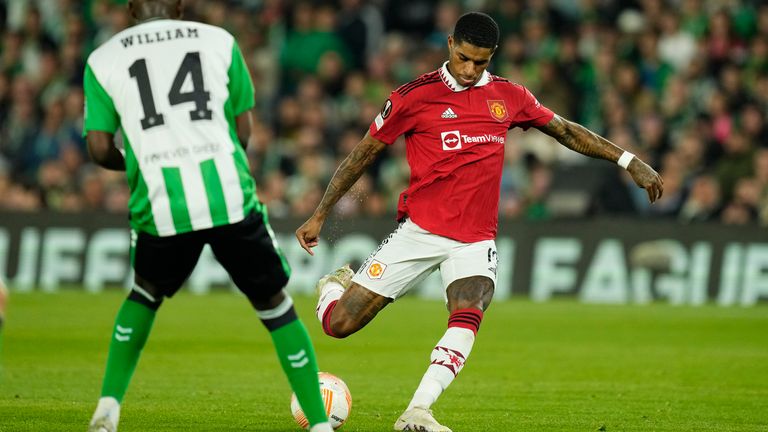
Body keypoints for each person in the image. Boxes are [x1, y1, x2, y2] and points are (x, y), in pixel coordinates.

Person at [296, 12, 664, 432]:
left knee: (470, 308)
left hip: (474, 238)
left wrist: (628, 160)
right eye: (465, 58)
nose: (471, 70)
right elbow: (362, 154)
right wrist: (321, 214)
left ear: (493, 57)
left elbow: (564, 130)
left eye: (481, 62)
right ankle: (331, 285)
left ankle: (417, 411)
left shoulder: (509, 96)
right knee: (339, 326)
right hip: (419, 231)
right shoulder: (413, 97)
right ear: (450, 44)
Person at [83, 1, 332, 431]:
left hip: (162, 203)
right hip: (228, 197)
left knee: (144, 293)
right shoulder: (219, 42)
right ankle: (321, 425)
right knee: (274, 304)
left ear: (130, 9)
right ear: (180, 6)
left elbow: (99, 148)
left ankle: (108, 405)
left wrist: (137, 158)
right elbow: (244, 130)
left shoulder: (103, 60)